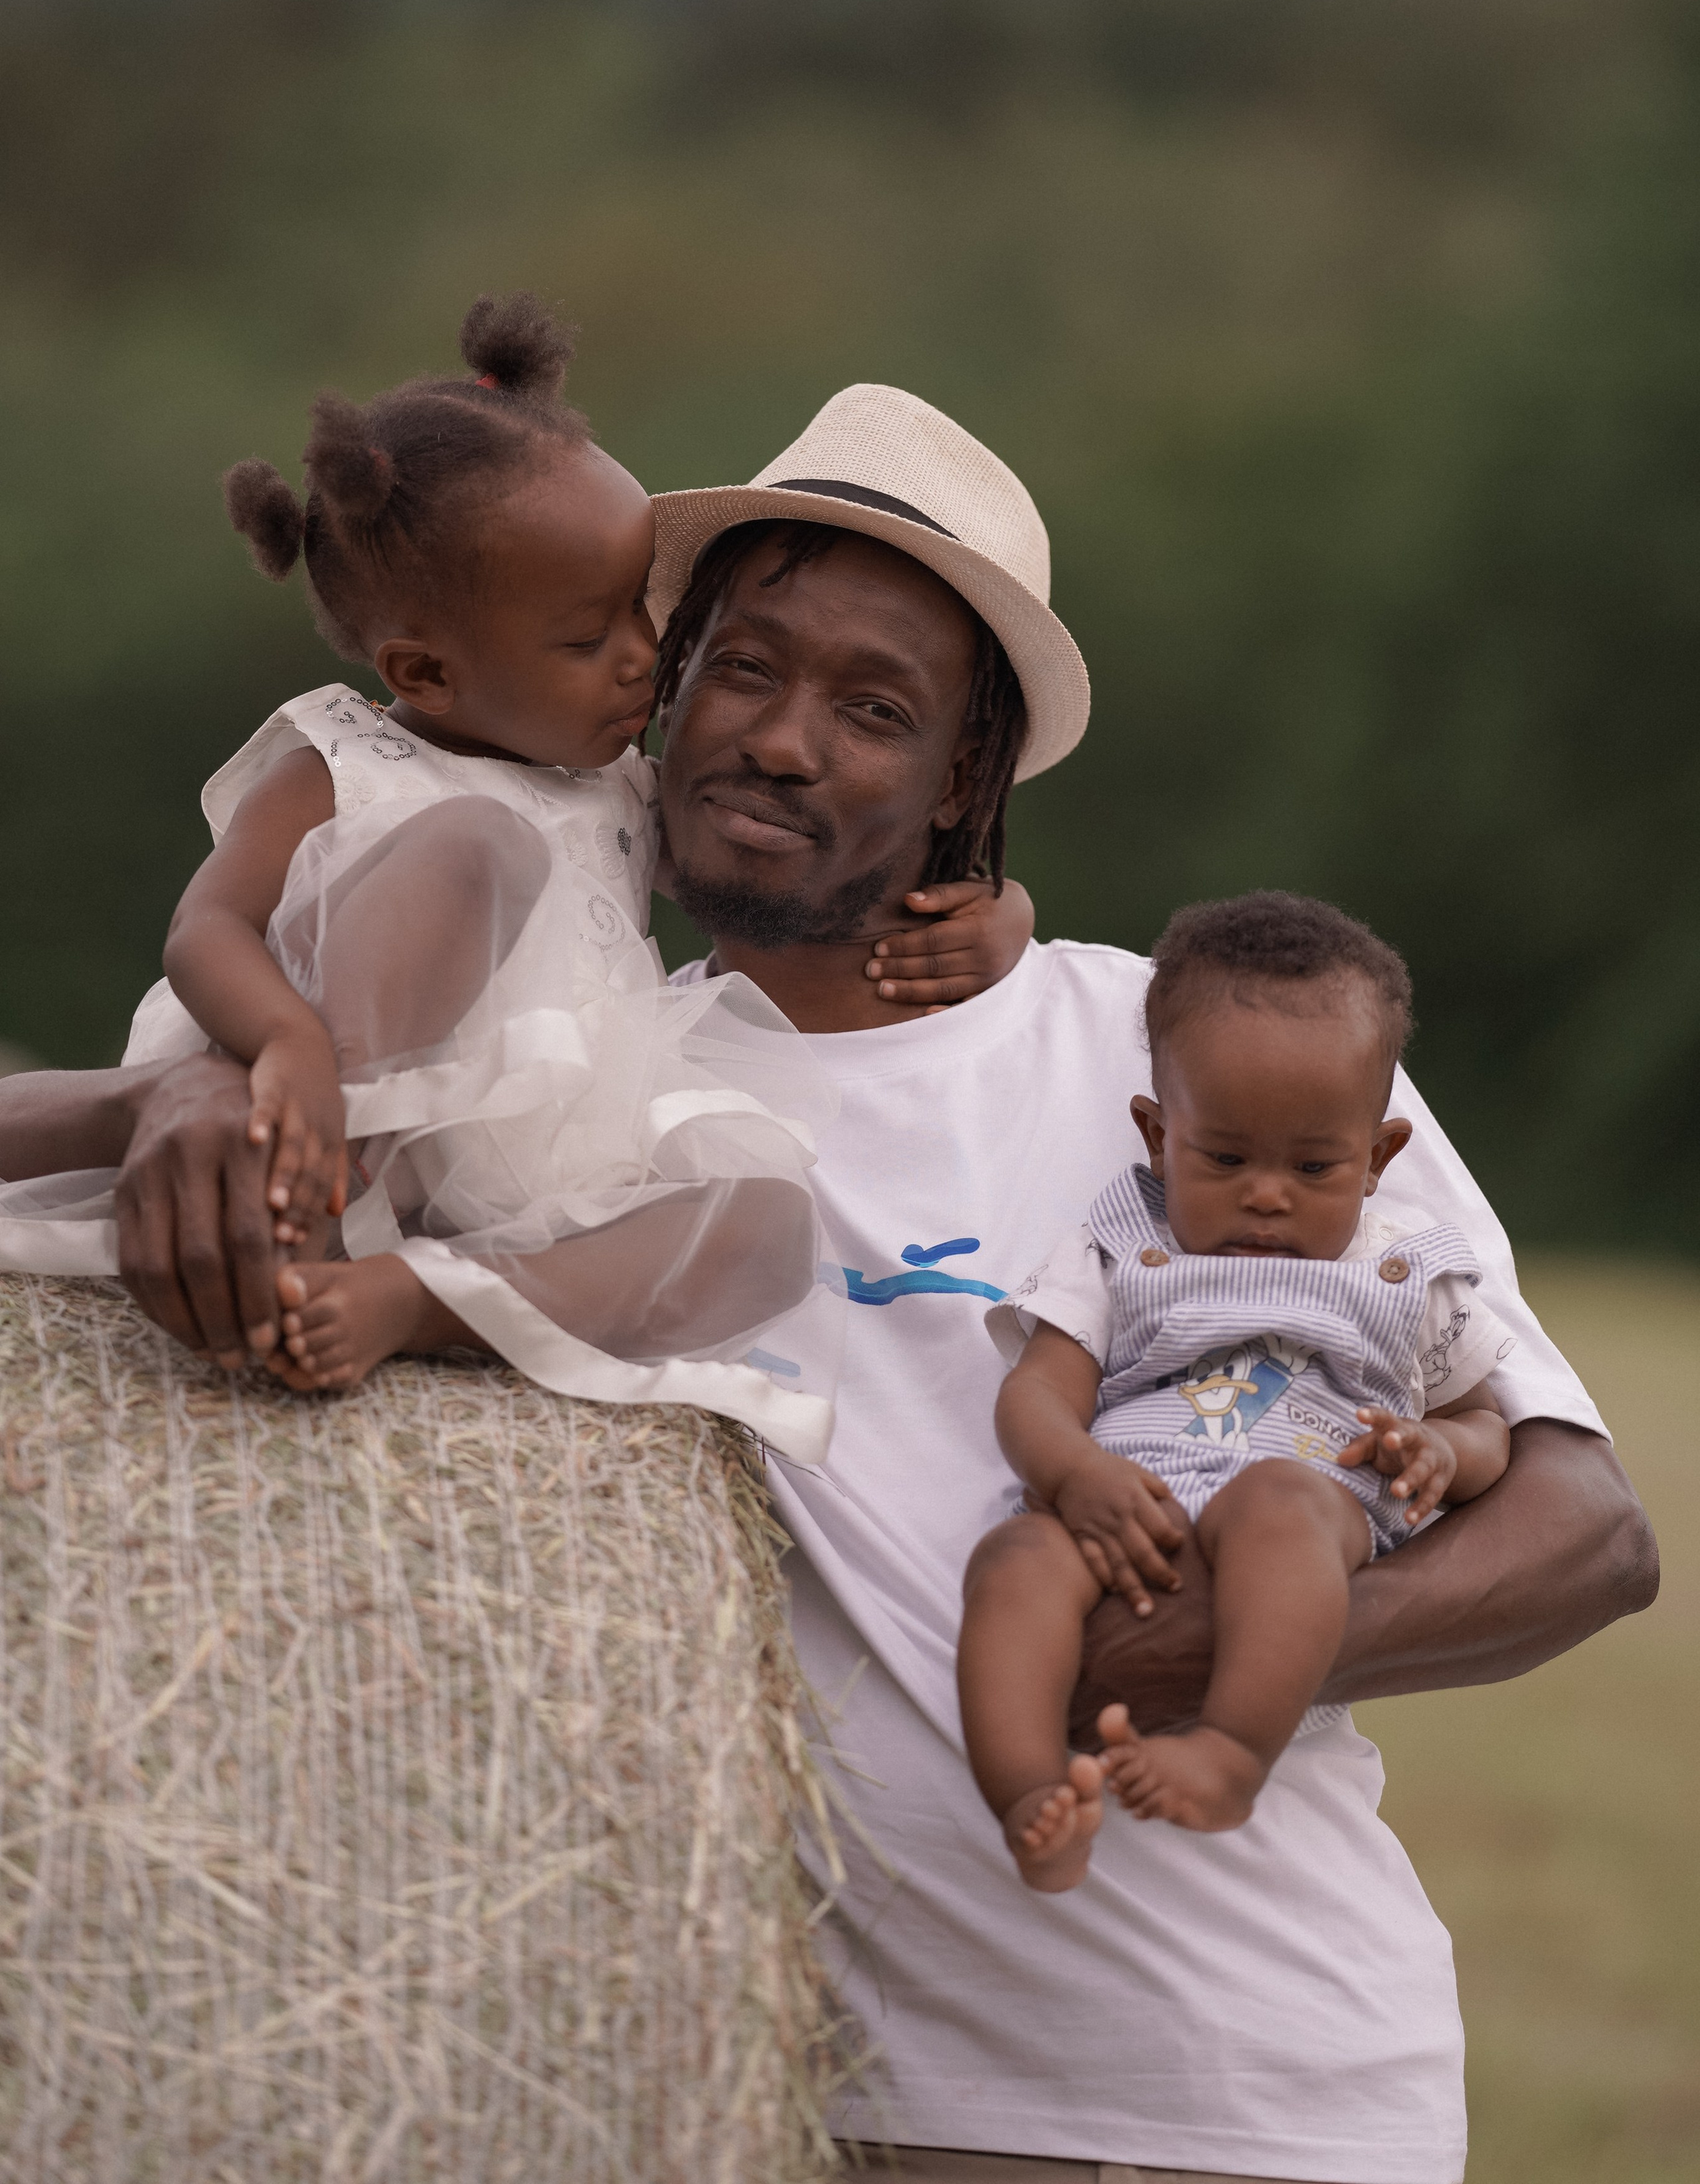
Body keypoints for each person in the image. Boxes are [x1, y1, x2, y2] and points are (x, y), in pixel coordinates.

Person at [0, 383, 1658, 2183]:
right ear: (654, 693)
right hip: (835, 2111)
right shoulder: (582, 1101)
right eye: (744, 669)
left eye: (874, 710)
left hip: (1265, 2093)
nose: (785, 742)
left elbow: (1587, 1530)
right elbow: (310, 1099)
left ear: (964, 775)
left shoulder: (1211, 1061)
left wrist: (1188, 1653)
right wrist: (197, 1084)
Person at [0, 311, 1027, 1464]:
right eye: (592, 636)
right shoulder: (342, 755)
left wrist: (999, 914)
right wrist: (285, 1043)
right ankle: (306, 1193)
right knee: (475, 847)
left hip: (519, 1178)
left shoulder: (624, 793)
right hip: (303, 1106)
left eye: (647, 610)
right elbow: (209, 924)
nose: (648, 656)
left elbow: (810, 874)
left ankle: (418, 1295)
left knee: (769, 1219)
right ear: (427, 669)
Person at [959, 890, 1514, 1891]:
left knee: (1280, 1504)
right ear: (1157, 1136)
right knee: (1015, 1558)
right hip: (1126, 1505)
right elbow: (1038, 1392)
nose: (1267, 1192)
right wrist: (1076, 1474)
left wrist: (1444, 1452)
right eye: (1225, 1157)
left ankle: (1231, 1750)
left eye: (1314, 1165)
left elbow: (1484, 1423)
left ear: (1381, 1156)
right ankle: (1034, 1795)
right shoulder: (1119, 1244)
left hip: (1305, 1500)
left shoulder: (1408, 1276)